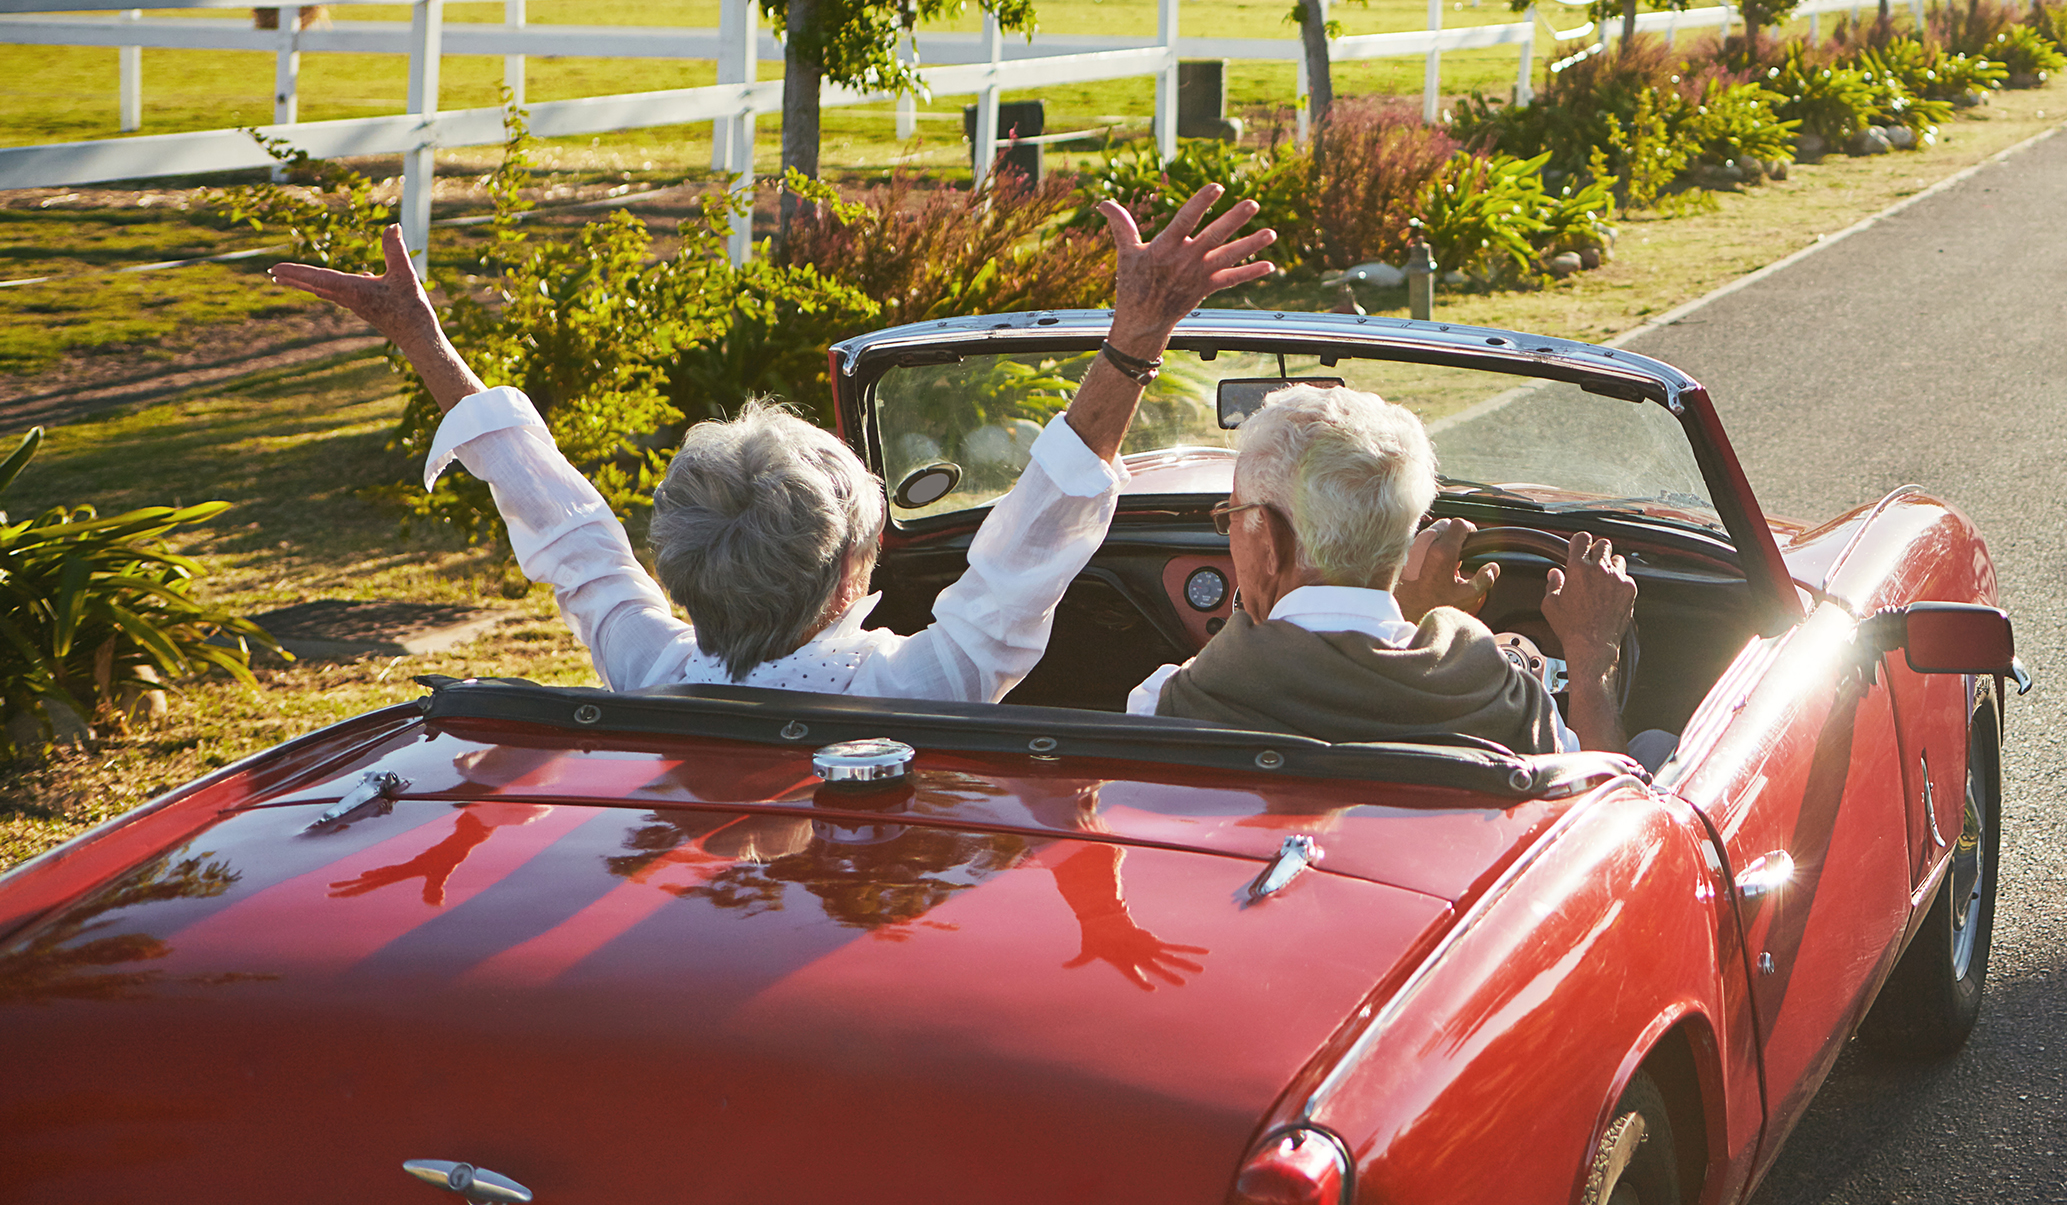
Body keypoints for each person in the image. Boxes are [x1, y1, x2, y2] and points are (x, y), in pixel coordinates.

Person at [271, 186, 1277, 701]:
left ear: (686, 570)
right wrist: (1136, 337)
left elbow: (571, 531)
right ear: (849, 578)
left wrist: (431, 348)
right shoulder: (925, 686)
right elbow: (1037, 533)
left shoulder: (652, 673)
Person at [1125, 384, 1636, 757]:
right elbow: (1607, 807)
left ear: (1270, 541)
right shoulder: (1513, 704)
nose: (1229, 533)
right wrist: (1593, 662)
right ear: (1401, 536)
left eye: (1232, 517)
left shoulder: (1168, 706)